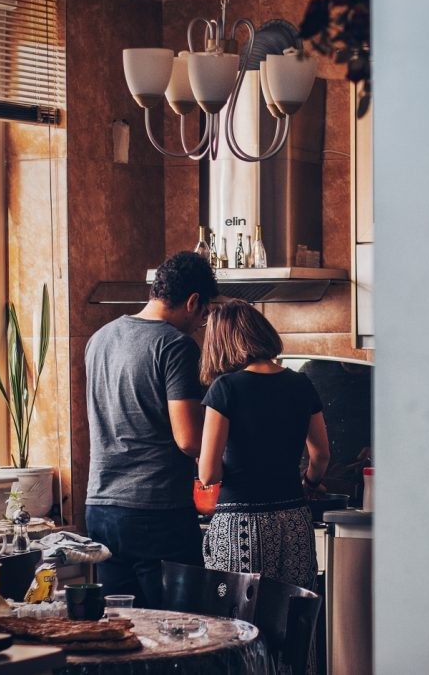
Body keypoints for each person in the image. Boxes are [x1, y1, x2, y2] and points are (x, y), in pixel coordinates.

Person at [84, 251, 218, 607]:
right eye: (204, 315)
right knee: (182, 633)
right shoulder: (175, 346)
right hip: (155, 511)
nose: (199, 324)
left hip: (100, 507)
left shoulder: (99, 339)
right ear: (193, 302)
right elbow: (189, 440)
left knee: (124, 631)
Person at [197, 300, 330, 590]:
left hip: (240, 525)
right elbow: (320, 455)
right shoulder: (301, 384)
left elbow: (208, 474)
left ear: (221, 343)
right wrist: (307, 485)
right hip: (294, 519)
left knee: (238, 625)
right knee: (292, 617)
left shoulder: (226, 388)